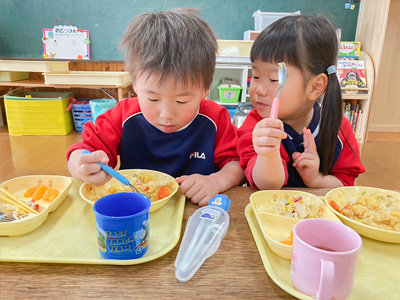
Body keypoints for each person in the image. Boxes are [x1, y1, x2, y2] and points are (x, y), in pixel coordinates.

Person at [67, 8, 244, 206]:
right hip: (135, 211)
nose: (166, 115)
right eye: (152, 99)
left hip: (196, 211)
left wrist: (215, 181)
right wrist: (82, 166)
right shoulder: (123, 116)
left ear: (205, 90)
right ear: (135, 85)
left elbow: (236, 163)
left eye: (182, 101)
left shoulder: (215, 118)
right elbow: (82, 151)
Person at [237, 15, 365, 190]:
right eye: (256, 76)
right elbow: (266, 185)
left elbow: (346, 185)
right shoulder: (256, 126)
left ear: (315, 87)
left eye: (274, 79)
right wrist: (268, 155)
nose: (259, 89)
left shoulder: (339, 128)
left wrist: (316, 181)